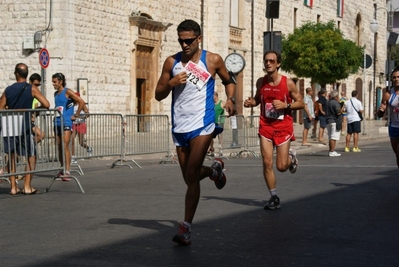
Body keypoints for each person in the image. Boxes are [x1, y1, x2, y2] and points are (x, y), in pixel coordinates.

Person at [155, 19, 236, 246]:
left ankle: (185, 228)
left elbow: (229, 81)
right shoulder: (172, 62)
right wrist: (171, 83)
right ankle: (214, 171)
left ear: (199, 38)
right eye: (181, 41)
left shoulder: (212, 60)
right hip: (180, 126)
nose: (184, 45)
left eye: (189, 40)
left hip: (203, 124)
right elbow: (158, 94)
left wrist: (230, 99)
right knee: (189, 178)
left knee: (191, 174)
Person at [244, 50, 304, 210]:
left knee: (281, 167)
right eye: (266, 61)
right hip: (266, 126)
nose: (268, 63)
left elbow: (301, 103)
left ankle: (291, 160)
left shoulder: (288, 83)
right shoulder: (261, 82)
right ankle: (274, 196)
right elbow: (258, 99)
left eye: (271, 61)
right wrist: (252, 102)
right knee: (266, 161)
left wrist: (287, 105)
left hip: (283, 127)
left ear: (278, 64)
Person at [0, 63, 50, 195]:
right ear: (26, 74)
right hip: (25, 126)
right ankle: (27, 186)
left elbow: (0, 107)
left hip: (10, 125)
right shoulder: (31, 88)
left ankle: (13, 187)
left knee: (11, 157)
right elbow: (46, 104)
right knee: (31, 156)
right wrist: (33, 111)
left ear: (16, 73)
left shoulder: (8, 90)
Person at [52, 73, 87, 180]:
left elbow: (81, 102)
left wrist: (76, 115)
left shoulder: (67, 91)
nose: (53, 84)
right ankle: (62, 168)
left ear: (61, 81)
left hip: (67, 122)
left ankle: (67, 170)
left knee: (65, 145)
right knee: (58, 146)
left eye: (55, 82)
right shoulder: (55, 94)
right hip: (57, 122)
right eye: (52, 82)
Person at [378, 67, 399, 167]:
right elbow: (380, 114)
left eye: (398, 77)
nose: (396, 79)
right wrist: (381, 111)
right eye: (394, 77)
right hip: (393, 127)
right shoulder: (388, 94)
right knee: (397, 155)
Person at [71, 91, 92, 163]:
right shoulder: (71, 105)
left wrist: (83, 117)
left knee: (81, 142)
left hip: (81, 123)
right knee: (72, 139)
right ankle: (73, 157)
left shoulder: (82, 105)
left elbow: (88, 113)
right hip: (74, 124)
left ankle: (88, 148)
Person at [326, 90, 344, 157]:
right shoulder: (336, 103)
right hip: (334, 121)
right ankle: (332, 151)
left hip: (328, 120)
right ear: (336, 96)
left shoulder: (327, 102)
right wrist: (342, 109)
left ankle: (330, 150)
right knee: (334, 137)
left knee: (330, 137)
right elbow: (338, 112)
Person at [207, 92, 225, 156]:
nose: (213, 99)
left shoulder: (221, 103)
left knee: (220, 137)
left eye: (214, 97)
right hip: (213, 122)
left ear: (216, 96)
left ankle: (221, 149)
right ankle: (211, 148)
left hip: (220, 122)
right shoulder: (212, 104)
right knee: (210, 136)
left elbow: (226, 107)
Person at [29, 73, 45, 144]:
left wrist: (35, 114)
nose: (36, 87)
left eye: (38, 85)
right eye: (35, 85)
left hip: (31, 121)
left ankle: (28, 147)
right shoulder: (26, 92)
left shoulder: (36, 93)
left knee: (41, 135)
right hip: (24, 119)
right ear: (30, 82)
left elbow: (36, 107)